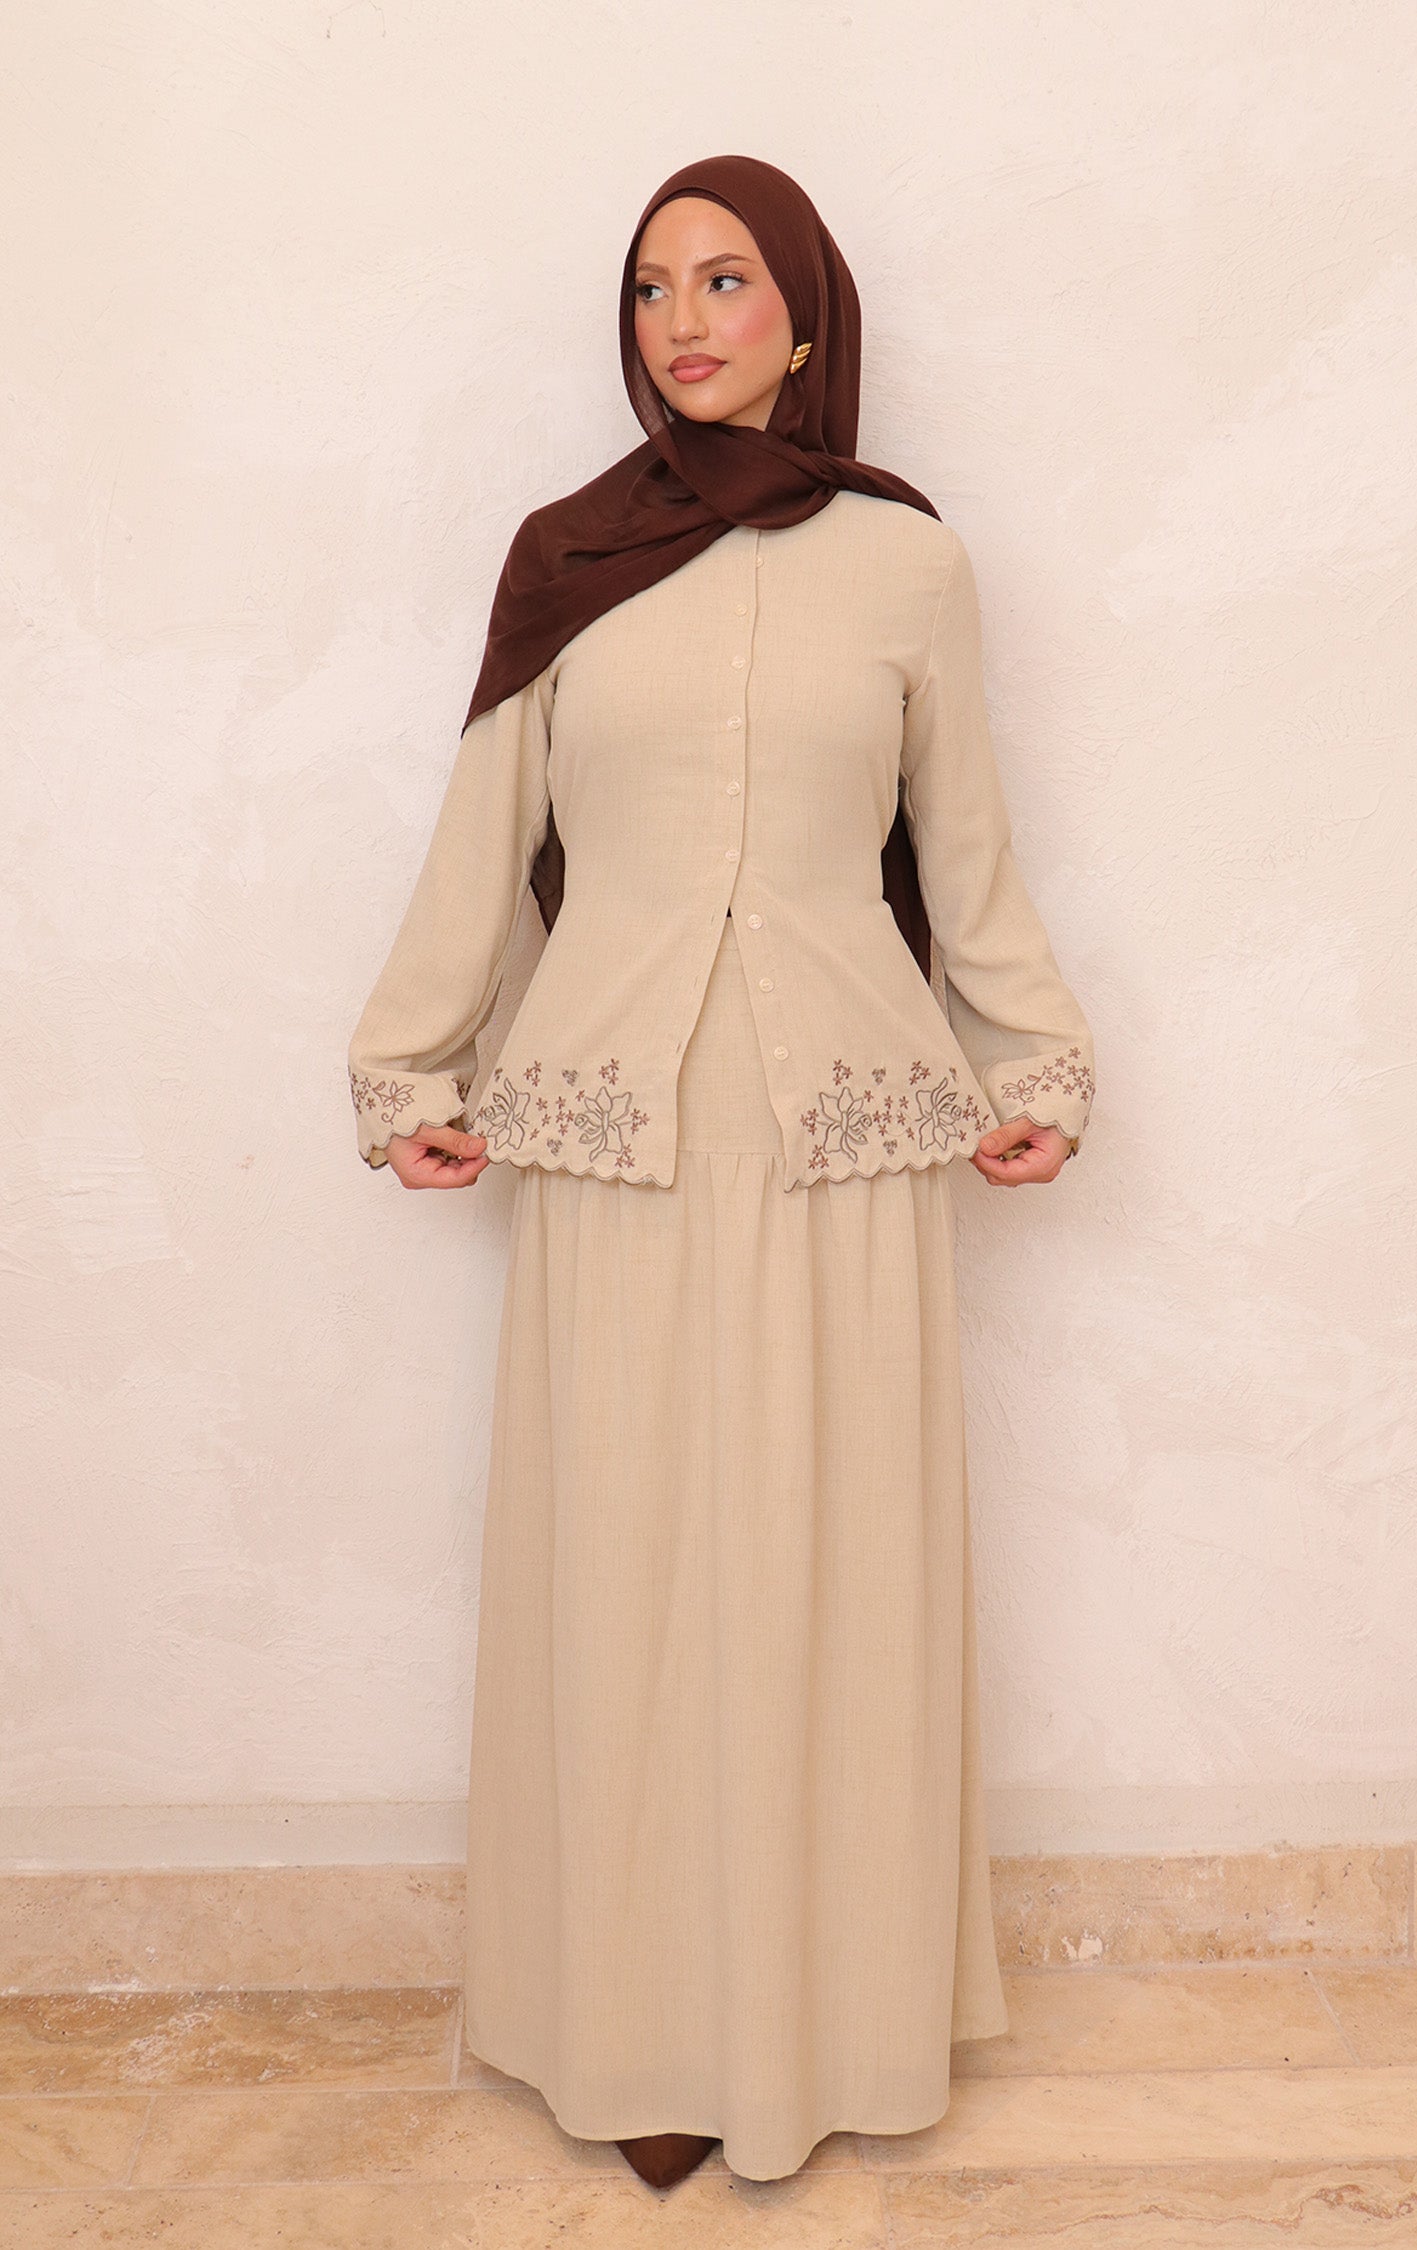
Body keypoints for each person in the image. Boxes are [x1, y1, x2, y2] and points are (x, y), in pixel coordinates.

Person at [346, 153, 1096, 2191]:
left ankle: (827, 2022)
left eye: (728, 280)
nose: (685, 321)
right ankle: (636, 2024)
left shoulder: (911, 566)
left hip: (846, 1137)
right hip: (617, 1135)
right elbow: (485, 839)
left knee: (829, 1580)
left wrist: (1035, 1065)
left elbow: (968, 859)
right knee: (626, 1581)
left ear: (806, 315)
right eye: (654, 287)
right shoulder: (565, 556)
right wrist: (409, 1067)